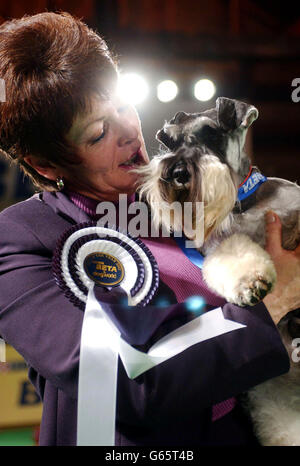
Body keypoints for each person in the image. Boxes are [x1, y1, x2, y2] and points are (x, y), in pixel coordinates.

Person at [0, 11, 299, 447]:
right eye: (99, 133)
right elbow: (122, 385)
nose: (128, 131)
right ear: (44, 165)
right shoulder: (22, 241)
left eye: (123, 105)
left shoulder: (189, 190)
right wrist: (270, 308)